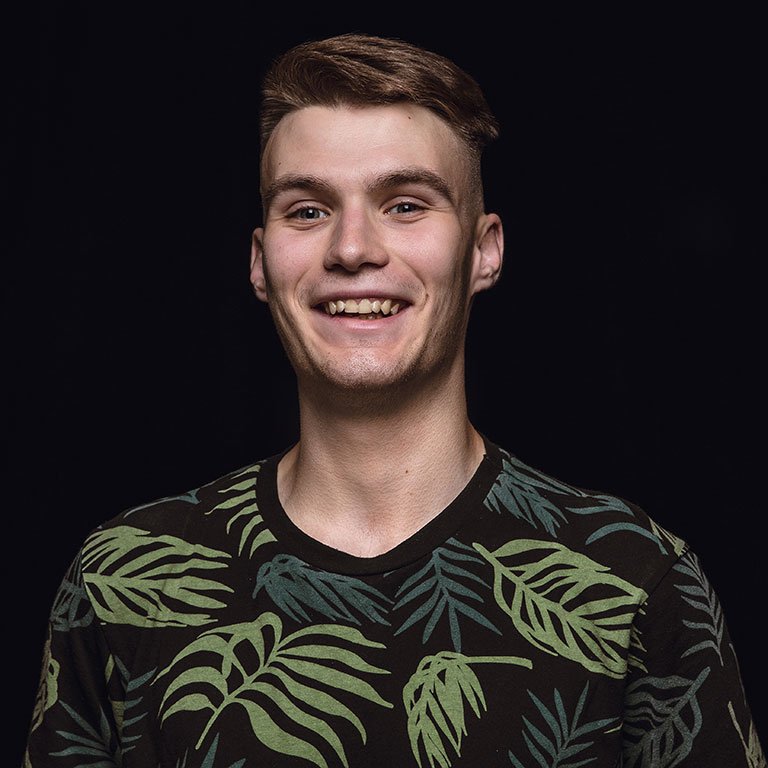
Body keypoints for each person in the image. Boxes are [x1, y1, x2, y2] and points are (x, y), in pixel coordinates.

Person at [22, 32, 764, 768]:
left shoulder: (636, 579)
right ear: (260, 263)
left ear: (483, 251)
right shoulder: (125, 579)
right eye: (307, 210)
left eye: (405, 205)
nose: (352, 249)